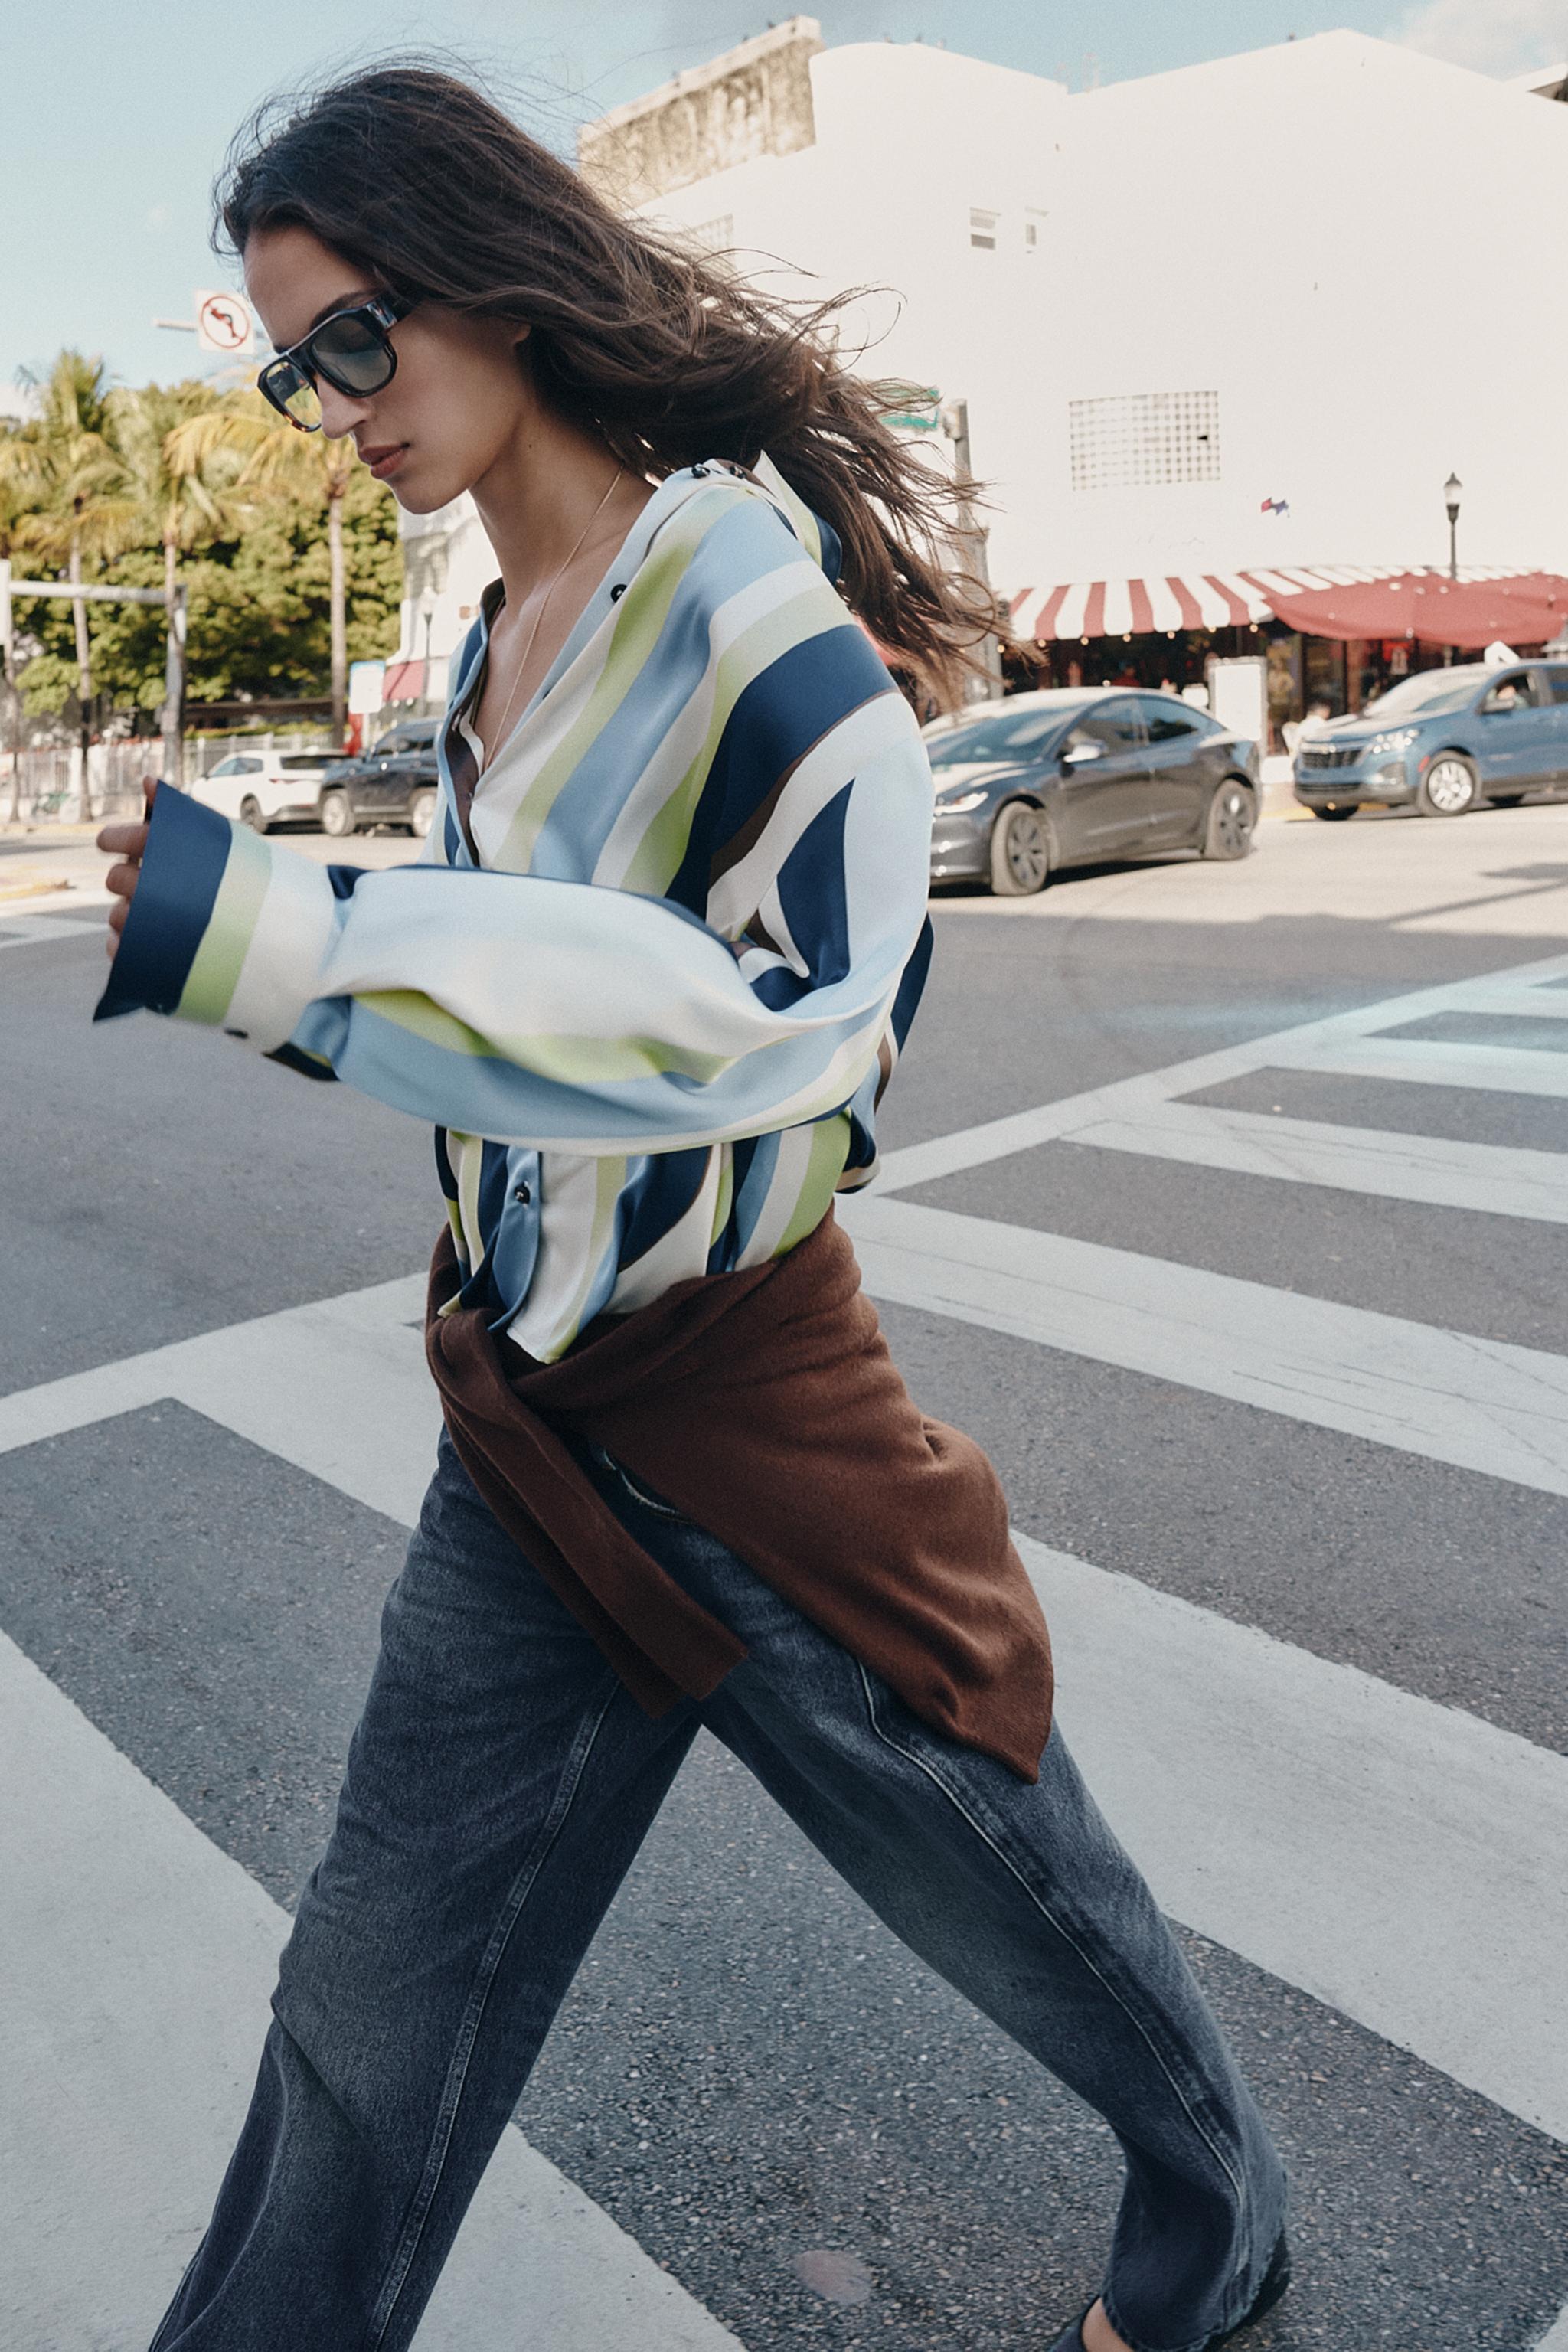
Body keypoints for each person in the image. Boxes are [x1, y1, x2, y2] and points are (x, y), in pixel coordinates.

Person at [96, 64, 1289, 2352]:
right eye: (288, 369)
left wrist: (290, 943)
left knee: (1008, 1896)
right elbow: (517, 1066)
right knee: (364, 2006)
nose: (330, 407)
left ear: (492, 290)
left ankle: (1220, 2216)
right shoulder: (477, 659)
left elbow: (812, 1025)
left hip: (749, 1422)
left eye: (354, 339)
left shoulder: (731, 593)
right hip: (520, 1429)